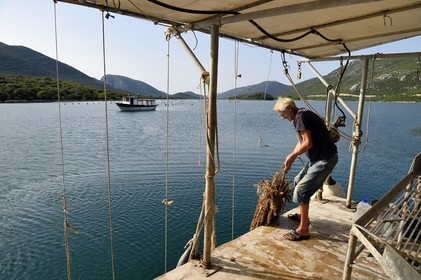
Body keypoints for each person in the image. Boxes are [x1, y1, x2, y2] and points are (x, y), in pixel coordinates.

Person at [273, 97, 338, 241]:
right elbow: (301, 142)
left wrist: (292, 155)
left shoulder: (300, 117)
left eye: (282, 115)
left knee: (302, 190)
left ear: (289, 108)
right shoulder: (300, 115)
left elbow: (308, 143)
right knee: (298, 180)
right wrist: (291, 158)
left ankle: (303, 230)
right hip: (317, 158)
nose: (283, 118)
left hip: (325, 159)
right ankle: (304, 218)